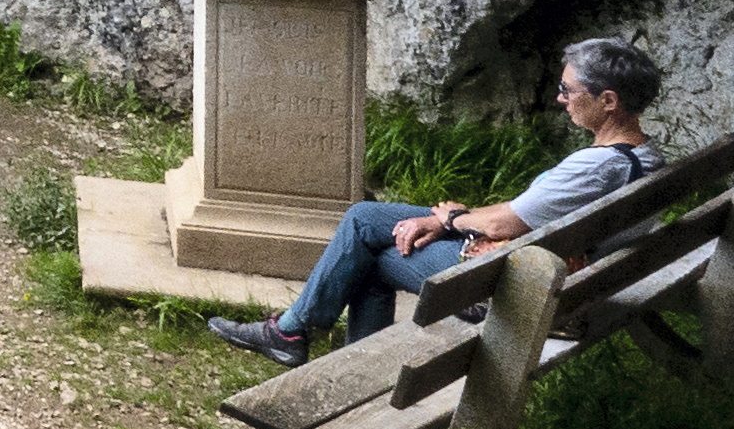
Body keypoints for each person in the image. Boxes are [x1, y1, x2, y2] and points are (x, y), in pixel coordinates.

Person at [205, 39, 665, 366]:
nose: (560, 98)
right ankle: (300, 336)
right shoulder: (644, 157)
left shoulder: (597, 166)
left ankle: (315, 346)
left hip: (524, 284)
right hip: (568, 271)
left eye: (569, 90)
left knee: (370, 253)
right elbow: (533, 214)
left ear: (608, 100)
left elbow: (507, 222)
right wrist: (446, 221)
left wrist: (452, 219)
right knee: (366, 219)